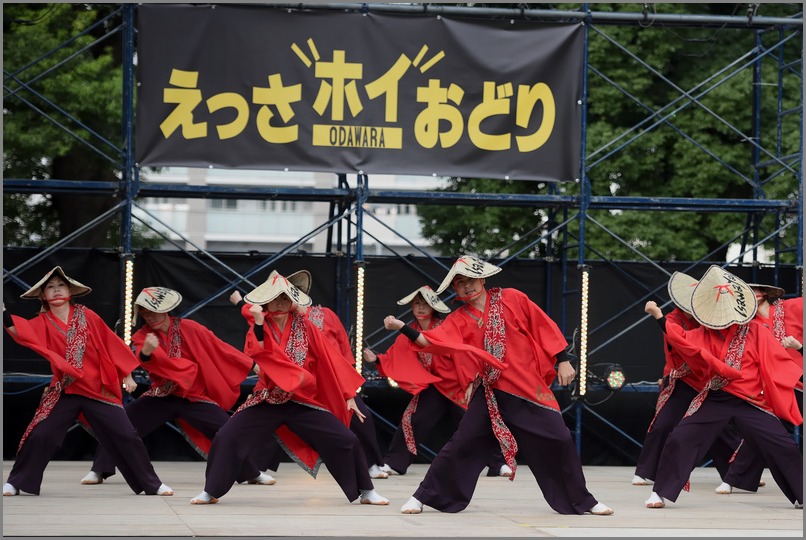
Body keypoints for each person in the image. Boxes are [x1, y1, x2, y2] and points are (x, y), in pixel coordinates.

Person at [383, 255, 613, 516]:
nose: (466, 286)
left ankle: (583, 501)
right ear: (455, 290)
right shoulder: (459, 318)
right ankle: (422, 496)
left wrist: (563, 359)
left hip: (527, 386)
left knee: (559, 439)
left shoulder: (512, 298)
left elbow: (541, 325)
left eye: (470, 279)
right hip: (491, 393)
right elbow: (431, 342)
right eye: (459, 283)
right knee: (462, 443)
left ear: (481, 278)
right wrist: (403, 327)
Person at [190, 270, 388, 506]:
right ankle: (210, 491)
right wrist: (259, 320)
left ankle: (367, 491)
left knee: (346, 439)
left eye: (285, 298)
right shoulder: (259, 325)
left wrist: (349, 394)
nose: (281, 303)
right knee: (225, 436)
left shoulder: (307, 328)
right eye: (276, 298)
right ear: (267, 302)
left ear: (293, 301)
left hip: (301, 400)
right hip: (267, 400)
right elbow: (258, 350)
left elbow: (331, 359)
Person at [2, 266, 173, 497]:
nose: (56, 290)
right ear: (43, 295)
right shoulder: (42, 322)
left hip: (98, 389)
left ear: (69, 291)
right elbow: (20, 332)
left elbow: (111, 343)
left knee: (126, 435)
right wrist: (3, 311)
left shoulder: (87, 315)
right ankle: (17, 482)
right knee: (42, 434)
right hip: (67, 389)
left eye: (60, 285)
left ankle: (152, 484)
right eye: (50, 287)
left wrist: (127, 374)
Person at [80, 286, 275, 487]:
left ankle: (250, 472)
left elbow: (219, 346)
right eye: (145, 312)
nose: (149, 316)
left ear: (164, 310)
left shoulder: (190, 328)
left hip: (193, 396)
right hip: (162, 395)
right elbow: (142, 358)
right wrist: (147, 352)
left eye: (153, 311)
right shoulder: (143, 335)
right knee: (121, 424)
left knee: (226, 430)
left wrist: (252, 364)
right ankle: (99, 469)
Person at [643, 265, 802, 510]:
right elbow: (682, 341)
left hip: (751, 401)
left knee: (783, 444)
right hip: (717, 397)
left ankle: (801, 494)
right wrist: (659, 317)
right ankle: (660, 492)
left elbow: (776, 362)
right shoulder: (703, 333)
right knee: (681, 438)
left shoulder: (757, 330)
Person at [362, 285, 509, 477]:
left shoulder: (444, 327)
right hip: (435, 387)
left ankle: (498, 464)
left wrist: (471, 383)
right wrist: (378, 359)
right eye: (417, 304)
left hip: (458, 385)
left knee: (476, 423)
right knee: (412, 420)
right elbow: (398, 354)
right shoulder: (411, 330)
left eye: (425, 304)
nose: (421, 308)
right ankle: (395, 463)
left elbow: (463, 356)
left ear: (433, 307)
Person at [632, 272, 748, 487]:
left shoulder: (710, 318)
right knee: (664, 423)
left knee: (718, 427)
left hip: (707, 380)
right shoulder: (673, 320)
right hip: (682, 381)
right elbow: (677, 340)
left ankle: (737, 474)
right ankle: (647, 471)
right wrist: (658, 316)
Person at [713, 282, 803, 495]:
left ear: (763, 294)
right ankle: (735, 477)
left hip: (798, 381)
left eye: (748, 292)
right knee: (764, 431)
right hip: (771, 386)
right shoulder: (747, 325)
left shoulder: (791, 308)